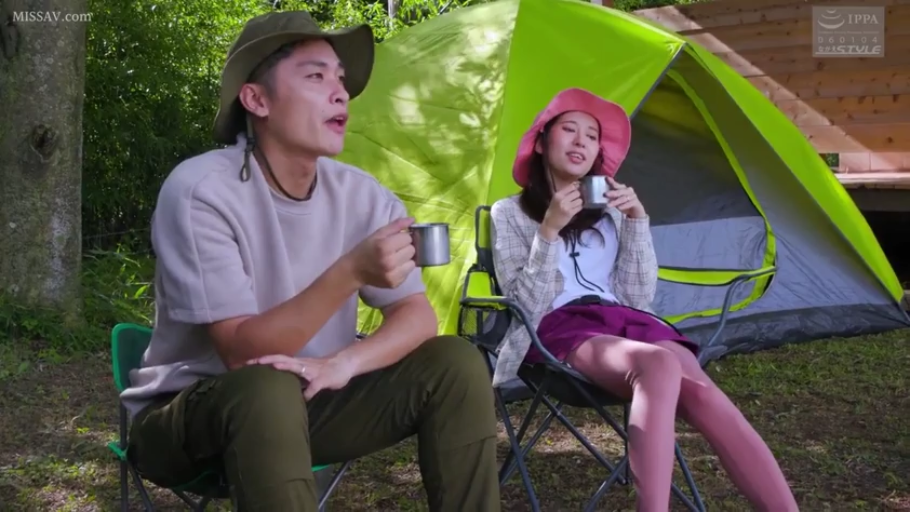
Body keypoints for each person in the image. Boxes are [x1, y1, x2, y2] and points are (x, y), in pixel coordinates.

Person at [118, 11, 500, 512]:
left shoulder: (362, 196)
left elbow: (417, 317)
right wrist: (351, 271)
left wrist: (344, 362)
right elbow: (242, 355)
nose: (340, 93)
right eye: (316, 76)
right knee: (265, 388)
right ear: (257, 100)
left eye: (340, 79)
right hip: (187, 418)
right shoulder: (200, 191)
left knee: (455, 363)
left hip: (308, 402)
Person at [488, 88, 798, 512]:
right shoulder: (508, 212)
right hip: (556, 328)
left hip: (623, 320)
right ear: (541, 142)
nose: (581, 142)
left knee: (702, 392)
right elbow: (526, 305)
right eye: (569, 130)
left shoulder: (610, 212)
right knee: (658, 363)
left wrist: (636, 221)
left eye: (592, 136)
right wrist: (549, 231)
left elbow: (637, 297)